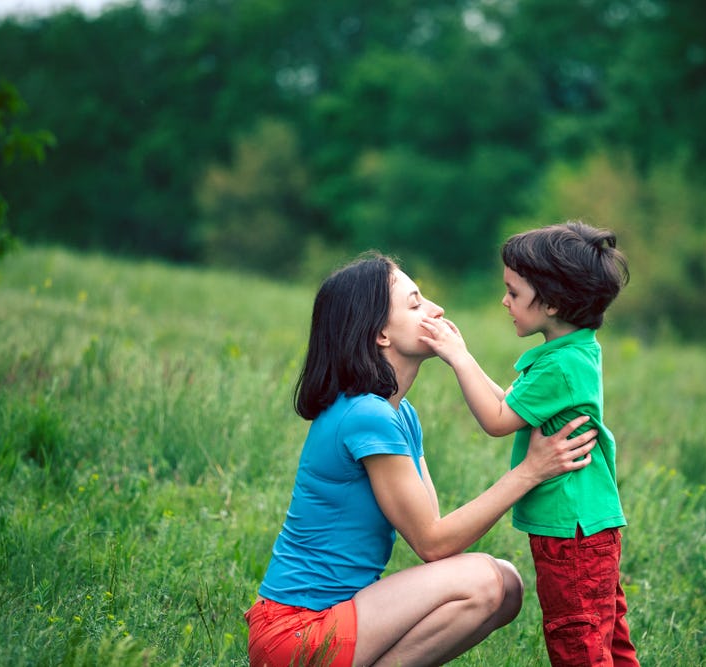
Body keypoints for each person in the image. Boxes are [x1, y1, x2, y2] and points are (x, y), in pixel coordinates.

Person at [245, 252, 599, 667]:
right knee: (484, 580)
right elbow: (433, 544)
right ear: (380, 334)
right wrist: (529, 472)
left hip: (333, 621)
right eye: (415, 304)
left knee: (506, 585)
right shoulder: (366, 415)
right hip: (296, 633)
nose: (437, 310)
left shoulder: (398, 413)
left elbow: (434, 534)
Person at [419, 221, 639, 666]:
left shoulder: (559, 367)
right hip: (587, 527)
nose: (505, 301)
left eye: (513, 293)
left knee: (578, 642)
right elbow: (512, 404)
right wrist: (466, 355)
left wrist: (457, 358)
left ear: (553, 302)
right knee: (606, 636)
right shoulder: (571, 354)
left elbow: (499, 420)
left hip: (572, 533)